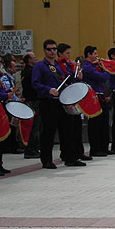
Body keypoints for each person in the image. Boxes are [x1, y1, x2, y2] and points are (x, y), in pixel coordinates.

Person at [32, 39, 80, 169]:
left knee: (67, 131)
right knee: (48, 132)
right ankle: (46, 160)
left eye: (54, 49)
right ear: (44, 51)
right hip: (48, 102)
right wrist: (48, 90)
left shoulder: (58, 65)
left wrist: (76, 75)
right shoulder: (40, 66)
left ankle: (70, 157)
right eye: (49, 49)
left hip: (61, 102)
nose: (52, 51)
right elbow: (35, 83)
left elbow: (65, 79)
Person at [82, 46, 112, 156]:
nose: (96, 56)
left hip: (100, 95)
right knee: (95, 123)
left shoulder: (95, 66)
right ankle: (95, 148)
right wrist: (107, 71)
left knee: (103, 122)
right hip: (93, 96)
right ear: (88, 54)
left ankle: (104, 147)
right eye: (94, 53)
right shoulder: (87, 67)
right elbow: (101, 78)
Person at [20, 52, 41, 159]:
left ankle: (34, 148)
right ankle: (30, 149)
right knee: (33, 127)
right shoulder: (29, 72)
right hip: (32, 100)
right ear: (29, 60)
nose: (36, 58)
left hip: (34, 100)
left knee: (36, 127)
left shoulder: (31, 70)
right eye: (33, 57)